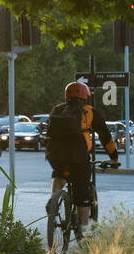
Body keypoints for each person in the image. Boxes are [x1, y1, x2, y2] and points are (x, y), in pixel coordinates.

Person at [46, 81, 117, 229]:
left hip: (55, 155)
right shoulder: (89, 111)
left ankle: (54, 203)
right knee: (82, 190)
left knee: (58, 173)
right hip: (78, 157)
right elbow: (104, 135)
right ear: (85, 96)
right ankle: (83, 229)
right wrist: (113, 156)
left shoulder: (57, 109)